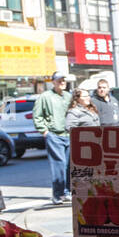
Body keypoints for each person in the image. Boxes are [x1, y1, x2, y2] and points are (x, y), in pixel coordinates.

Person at [33, 71, 71, 205]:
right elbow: (37, 115)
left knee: (68, 165)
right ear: (53, 82)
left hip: (68, 134)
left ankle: (67, 192)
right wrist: (44, 131)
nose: (62, 83)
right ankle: (58, 194)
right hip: (54, 135)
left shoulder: (68, 96)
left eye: (64, 80)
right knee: (58, 165)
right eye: (59, 80)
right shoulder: (45, 97)